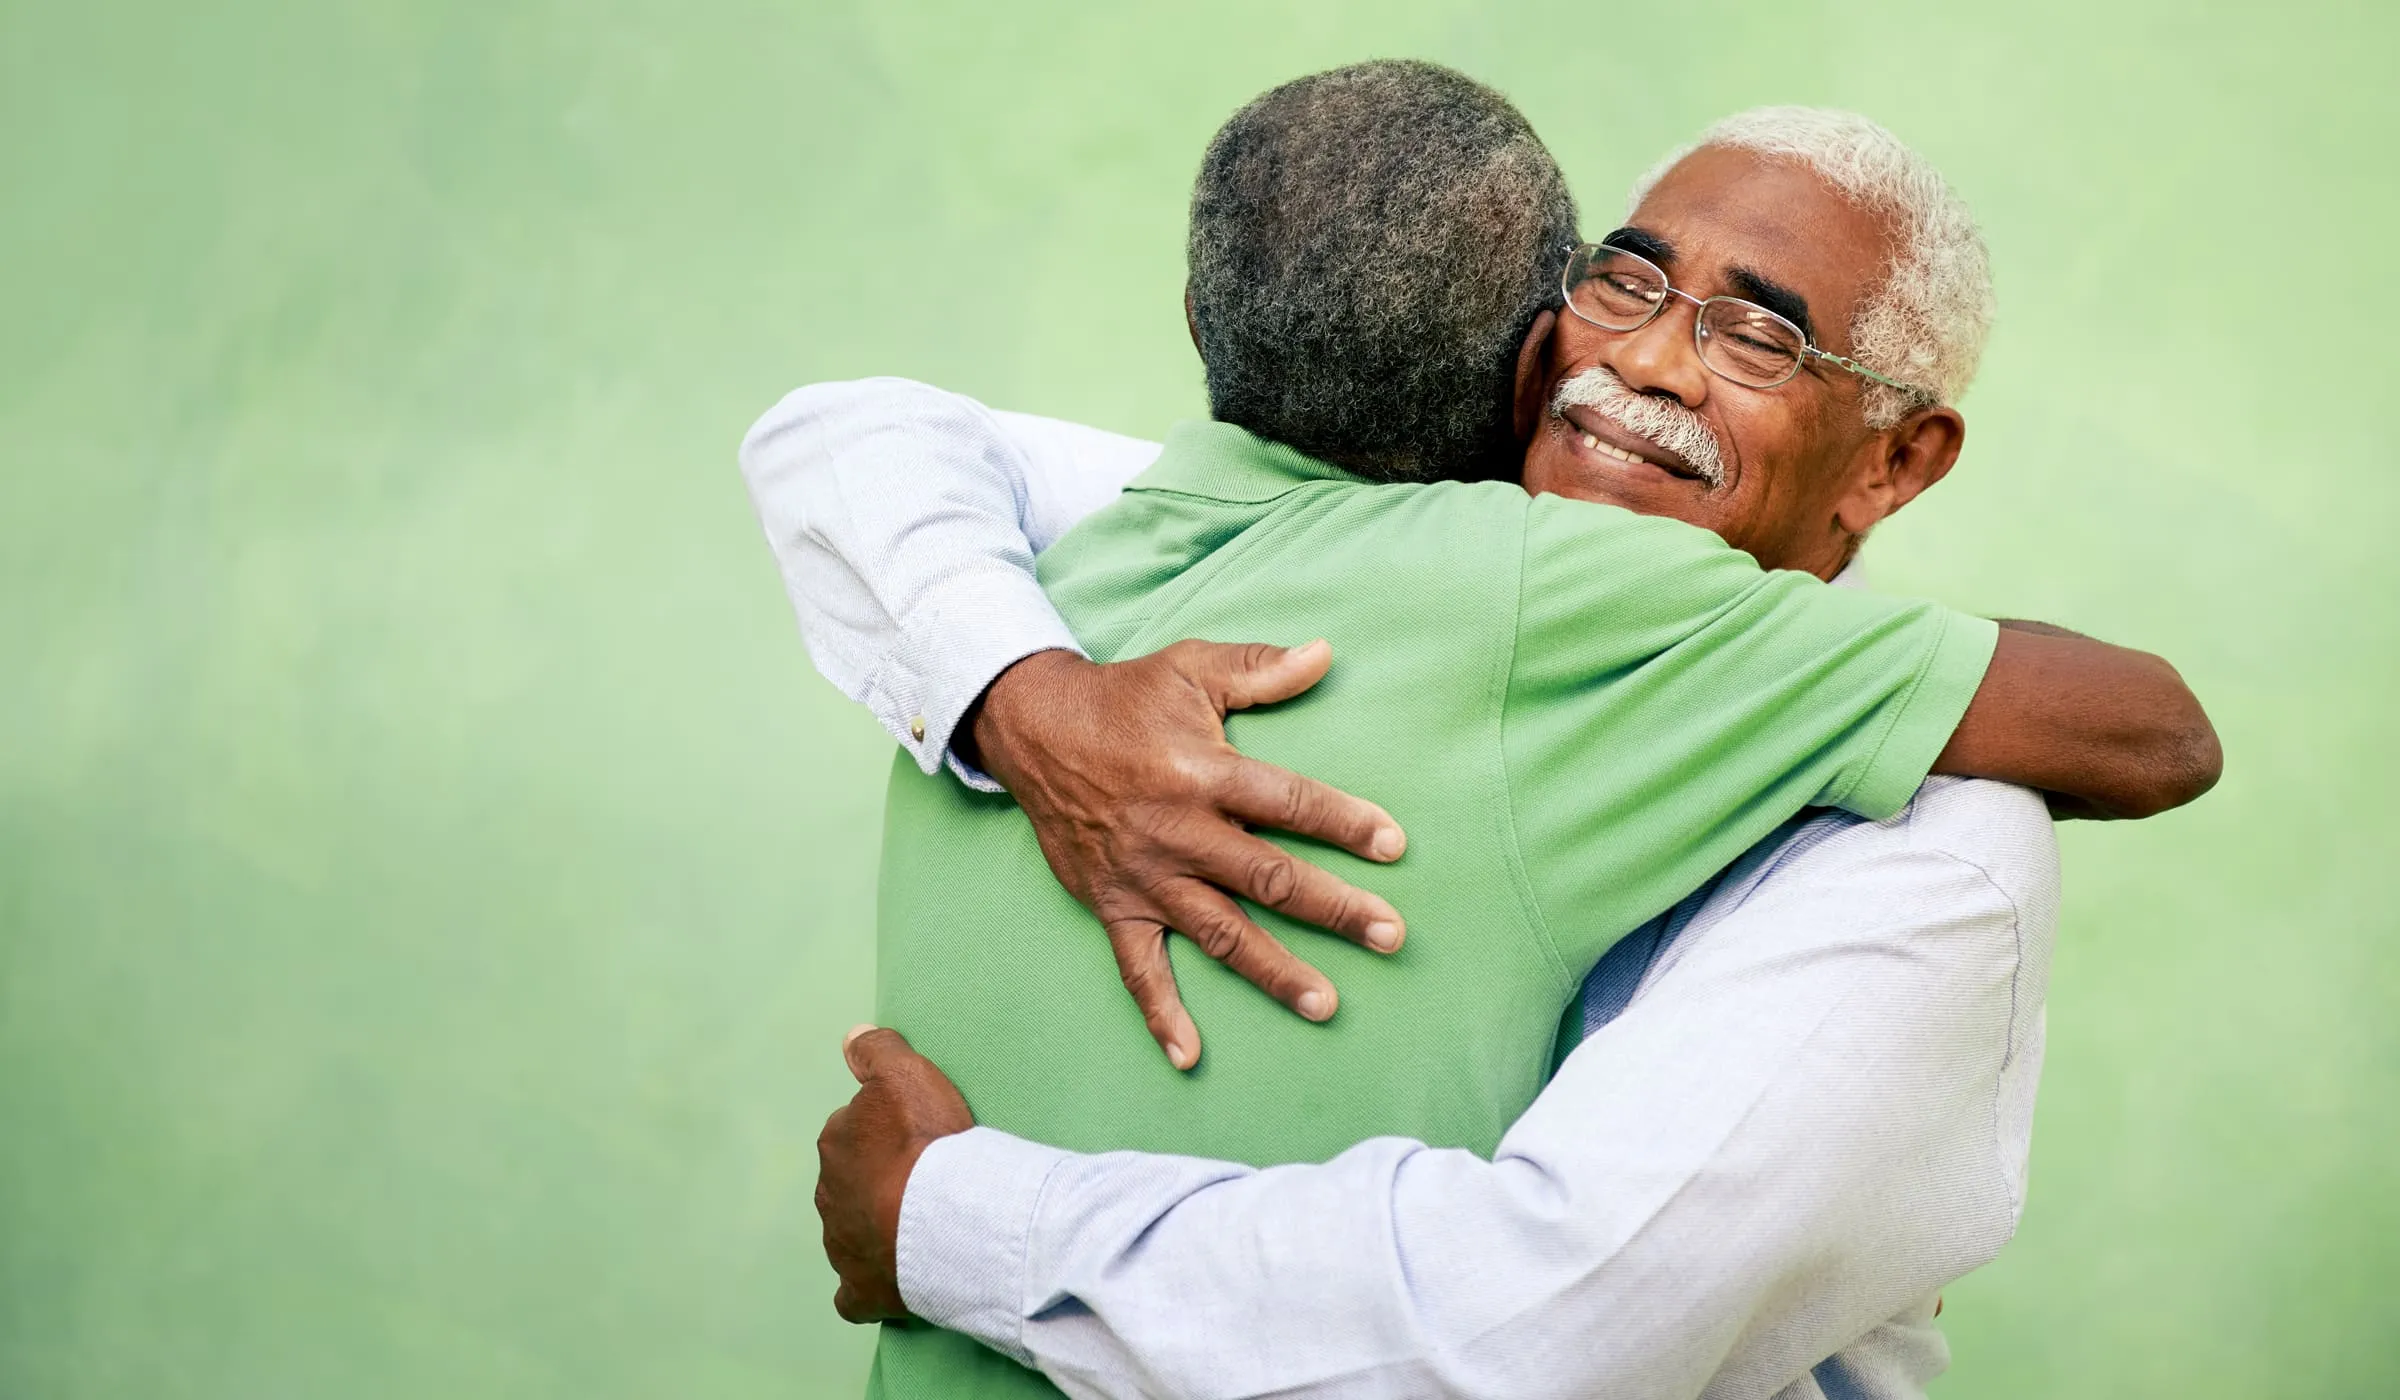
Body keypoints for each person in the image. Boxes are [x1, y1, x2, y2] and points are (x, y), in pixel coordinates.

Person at [753, 69, 2219, 1399]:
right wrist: (1029, 698)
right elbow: (860, 436)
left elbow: (1531, 1337)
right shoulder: (1360, 557)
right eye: (1625, 280)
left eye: (1762, 337)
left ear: (1898, 459)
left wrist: (948, 1218)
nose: (1649, 362)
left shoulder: (1935, 864)